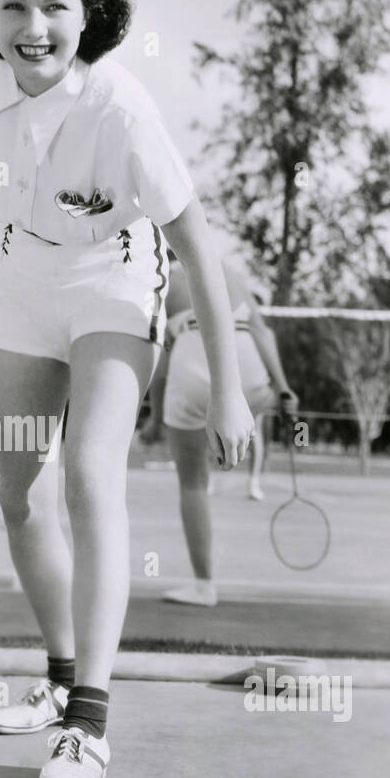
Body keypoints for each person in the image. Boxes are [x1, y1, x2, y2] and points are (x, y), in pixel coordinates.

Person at [0, 0, 254, 778]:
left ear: (88, 11)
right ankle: (61, 674)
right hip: (20, 274)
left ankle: (89, 723)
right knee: (18, 493)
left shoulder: (121, 110)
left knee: (89, 474)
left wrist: (229, 394)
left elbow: (199, 251)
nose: (34, 28)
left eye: (54, 8)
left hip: (114, 275)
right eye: (13, 8)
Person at [142, 259, 296, 606]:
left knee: (192, 484)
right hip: (243, 359)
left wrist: (154, 420)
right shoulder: (229, 271)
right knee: (265, 395)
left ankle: (203, 586)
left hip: (190, 356)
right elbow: (263, 331)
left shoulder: (163, 277)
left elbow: (160, 357)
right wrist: (284, 390)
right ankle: (240, 426)